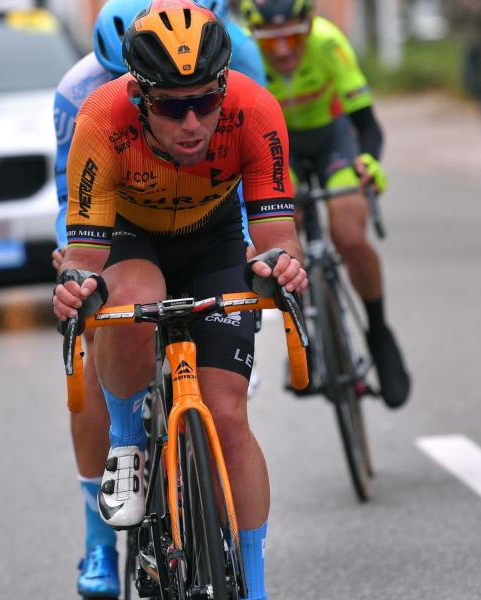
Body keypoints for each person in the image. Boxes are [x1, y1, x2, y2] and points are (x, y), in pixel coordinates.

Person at [53, 2, 306, 598]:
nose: (192, 122)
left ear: (224, 86)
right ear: (140, 96)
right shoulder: (100, 118)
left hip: (214, 240)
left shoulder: (253, 109)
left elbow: (274, 238)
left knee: (228, 417)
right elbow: (85, 257)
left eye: (205, 101)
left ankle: (257, 586)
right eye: (170, 105)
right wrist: (73, 289)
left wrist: (282, 268)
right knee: (131, 297)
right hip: (130, 237)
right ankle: (127, 443)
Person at [239, 0, 411, 409]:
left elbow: (367, 123)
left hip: (334, 139)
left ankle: (379, 330)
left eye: (293, 38)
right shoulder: (244, 55)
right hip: (282, 146)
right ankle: (304, 336)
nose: (282, 51)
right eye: (270, 41)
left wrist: (369, 161)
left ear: (310, 25)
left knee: (349, 233)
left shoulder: (330, 44)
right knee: (282, 231)